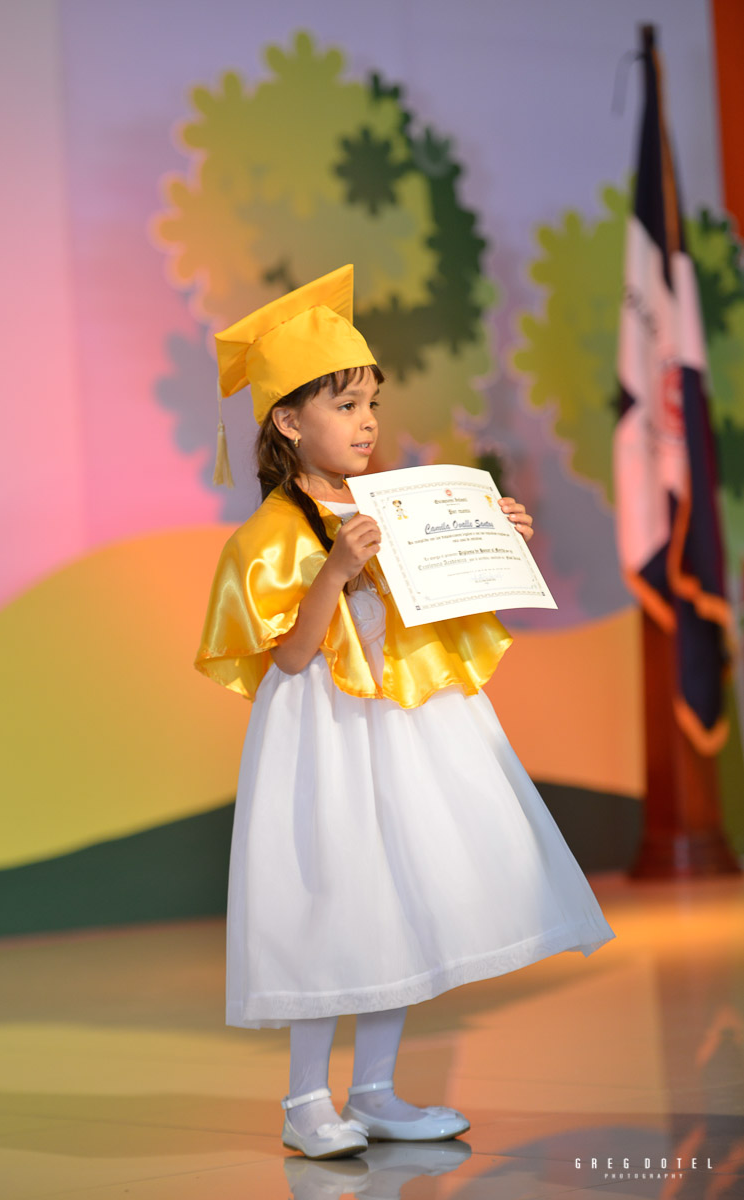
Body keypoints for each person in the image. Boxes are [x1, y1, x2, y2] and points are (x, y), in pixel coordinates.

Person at [195, 265, 616, 1161]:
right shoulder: (269, 535)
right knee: (331, 895)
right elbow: (295, 653)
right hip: (327, 734)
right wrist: (335, 573)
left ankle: (376, 1090)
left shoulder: (393, 503)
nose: (366, 422)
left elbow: (431, 601)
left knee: (393, 896)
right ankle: (307, 1100)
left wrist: (487, 536)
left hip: (403, 724)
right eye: (343, 405)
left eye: (370, 403)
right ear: (286, 419)